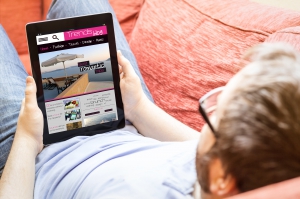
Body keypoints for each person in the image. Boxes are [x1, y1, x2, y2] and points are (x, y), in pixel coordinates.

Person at [0, 1, 300, 199]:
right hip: (122, 119)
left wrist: (27, 137)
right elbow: (196, 145)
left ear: (222, 177)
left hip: (36, 156)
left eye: (216, 111)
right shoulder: (230, 164)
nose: (211, 103)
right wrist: (138, 107)